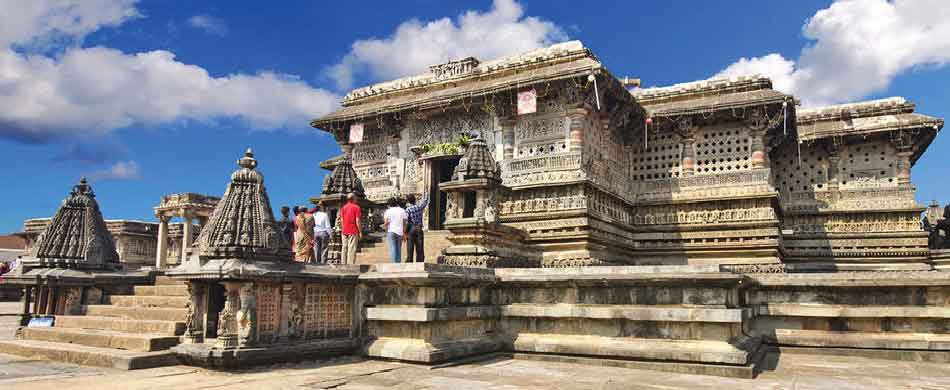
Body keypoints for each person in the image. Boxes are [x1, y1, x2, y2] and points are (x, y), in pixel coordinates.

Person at [404, 193, 430, 263]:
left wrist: (405, 232)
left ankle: (409, 261)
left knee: (410, 247)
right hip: (419, 228)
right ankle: (420, 262)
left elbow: (407, 221)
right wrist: (427, 194)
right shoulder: (419, 207)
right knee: (420, 248)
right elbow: (425, 202)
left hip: (411, 229)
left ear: (408, 201)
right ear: (415, 200)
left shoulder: (408, 209)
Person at [383, 197, 408, 263]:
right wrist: (404, 233)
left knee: (393, 249)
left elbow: (386, 223)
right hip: (400, 232)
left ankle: (394, 264)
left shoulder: (388, 211)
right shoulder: (402, 210)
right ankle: (398, 264)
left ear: (389, 204)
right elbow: (404, 223)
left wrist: (386, 232)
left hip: (391, 231)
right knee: (398, 249)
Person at [340, 193, 362, 264]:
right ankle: (350, 265)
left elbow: (342, 220)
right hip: (353, 230)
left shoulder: (343, 208)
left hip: (344, 230)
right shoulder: (356, 207)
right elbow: (357, 220)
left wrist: (344, 228)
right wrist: (360, 231)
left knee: (344, 248)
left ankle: (343, 264)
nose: (357, 199)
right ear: (353, 199)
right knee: (351, 249)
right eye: (356, 197)